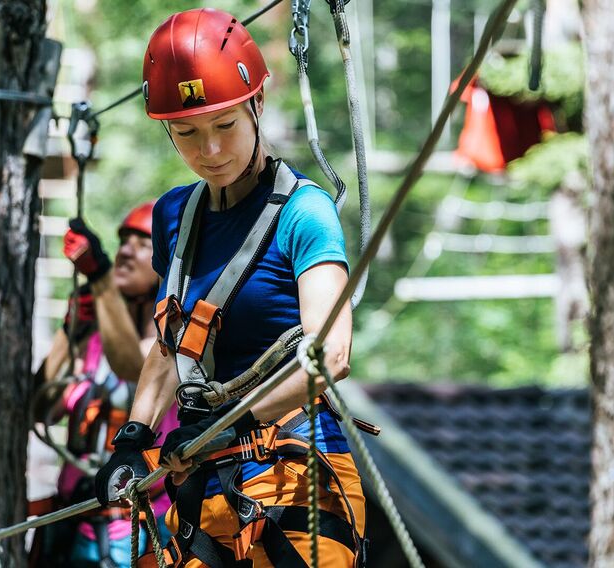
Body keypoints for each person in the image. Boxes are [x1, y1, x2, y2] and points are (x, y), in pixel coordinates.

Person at [92, 9, 367, 567]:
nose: (209, 150)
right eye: (187, 133)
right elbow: (176, 344)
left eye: (225, 126)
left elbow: (330, 354)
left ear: (257, 106)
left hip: (297, 474)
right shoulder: (174, 216)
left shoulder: (305, 213)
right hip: (206, 484)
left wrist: (234, 425)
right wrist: (134, 437)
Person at [30, 202, 178, 567]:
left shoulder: (175, 340)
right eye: (124, 240)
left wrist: (100, 280)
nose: (126, 250)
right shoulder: (95, 339)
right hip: (73, 524)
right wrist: (71, 330)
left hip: (141, 531)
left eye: (143, 244)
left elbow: (132, 366)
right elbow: (40, 410)